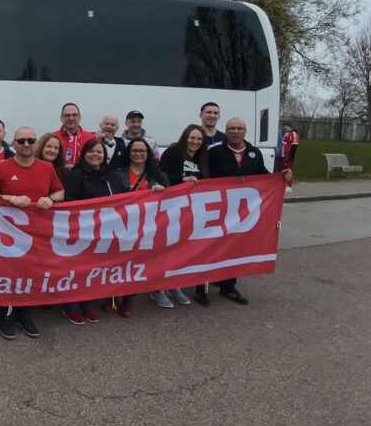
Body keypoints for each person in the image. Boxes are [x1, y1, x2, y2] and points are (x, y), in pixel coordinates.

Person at [201, 118, 293, 307]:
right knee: (209, 246)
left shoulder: (253, 152)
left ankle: (228, 286)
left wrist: (280, 178)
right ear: (225, 131)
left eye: (239, 128)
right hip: (217, 208)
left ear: (245, 131)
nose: (235, 131)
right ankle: (202, 287)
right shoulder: (215, 151)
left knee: (235, 246)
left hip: (241, 212)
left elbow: (263, 175)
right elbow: (204, 175)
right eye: (231, 128)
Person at [0, 126, 65, 339]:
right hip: (8, 233)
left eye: (30, 140)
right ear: (14, 144)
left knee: (32, 274)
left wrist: (52, 199)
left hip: (37, 234)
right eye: (21, 141)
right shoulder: (1, 167)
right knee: (9, 276)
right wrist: (10, 198)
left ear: (36, 143)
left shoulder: (47, 168)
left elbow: (60, 191)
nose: (26, 145)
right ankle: (5, 316)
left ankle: (25, 315)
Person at [108, 136, 168, 315]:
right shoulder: (117, 173)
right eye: (134, 150)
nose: (138, 154)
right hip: (120, 225)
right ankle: (110, 298)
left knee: (133, 265)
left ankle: (127, 299)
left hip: (145, 228)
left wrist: (161, 191)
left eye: (142, 151)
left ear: (148, 154)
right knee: (114, 262)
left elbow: (171, 200)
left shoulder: (158, 175)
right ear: (128, 153)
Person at [59, 138, 116, 325]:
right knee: (76, 269)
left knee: (94, 270)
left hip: (103, 232)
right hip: (80, 230)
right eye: (91, 151)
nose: (95, 155)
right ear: (84, 154)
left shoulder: (111, 176)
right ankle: (71, 306)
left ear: (104, 156)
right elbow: (69, 200)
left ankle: (87, 303)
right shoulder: (76, 175)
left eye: (99, 152)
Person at [156, 124, 210, 308]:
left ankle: (174, 285)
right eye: (192, 138)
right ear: (185, 137)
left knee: (181, 249)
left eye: (199, 139)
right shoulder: (173, 153)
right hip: (171, 208)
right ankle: (157, 289)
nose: (195, 142)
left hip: (190, 211)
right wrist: (181, 179)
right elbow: (161, 175)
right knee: (165, 248)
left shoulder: (203, 158)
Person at [54, 102, 95, 168]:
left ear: (80, 117)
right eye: (67, 115)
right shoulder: (53, 138)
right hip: (58, 176)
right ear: (61, 118)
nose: (71, 118)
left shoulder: (91, 138)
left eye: (74, 115)